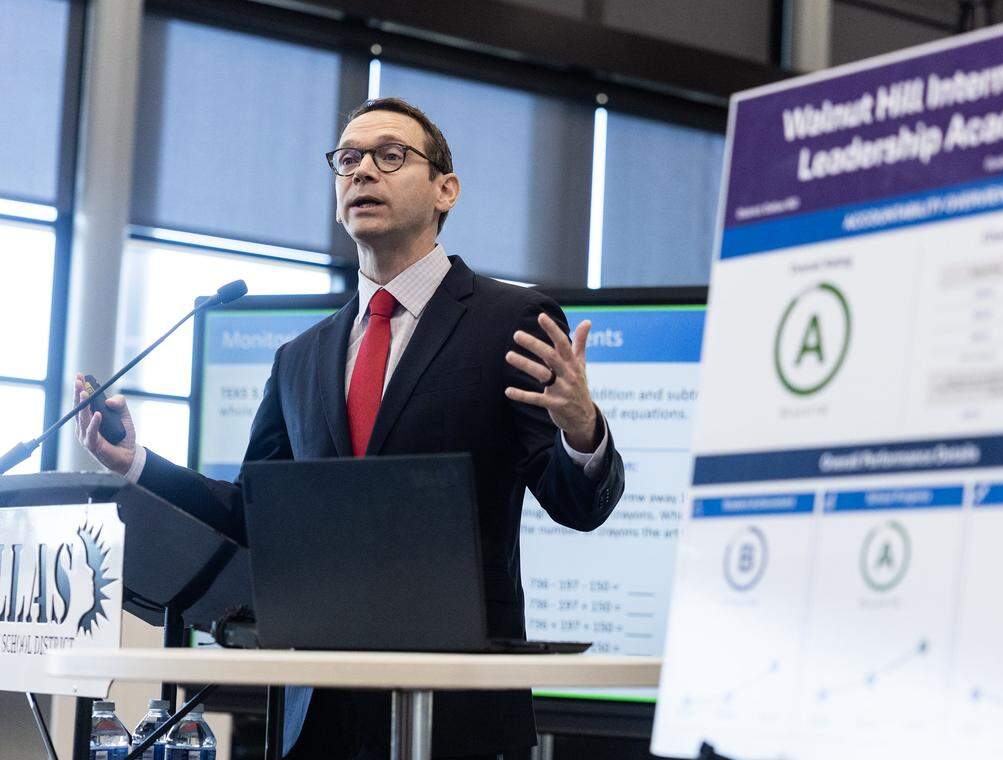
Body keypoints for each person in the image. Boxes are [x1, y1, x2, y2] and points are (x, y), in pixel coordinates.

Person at [75, 97, 624, 760]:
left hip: (456, 713)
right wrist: (138, 463)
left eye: (390, 156)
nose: (362, 171)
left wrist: (583, 430)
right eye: (347, 159)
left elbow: (576, 503)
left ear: (445, 188)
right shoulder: (301, 358)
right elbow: (255, 514)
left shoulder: (511, 320)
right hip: (316, 718)